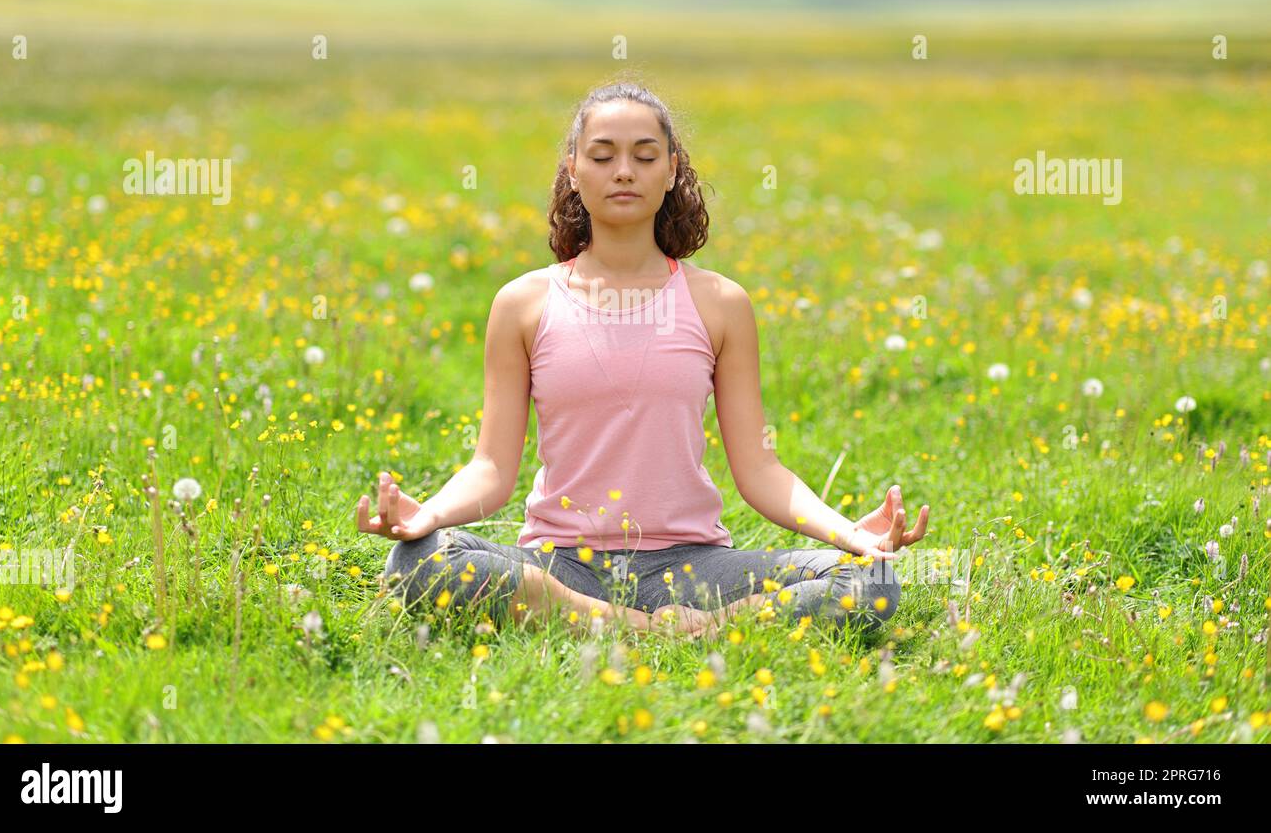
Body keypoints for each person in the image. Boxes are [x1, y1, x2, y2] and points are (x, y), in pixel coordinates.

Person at [355, 80, 930, 638]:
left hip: (692, 568)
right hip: (562, 564)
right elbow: (492, 471)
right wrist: (426, 516)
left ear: (673, 168)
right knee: (416, 563)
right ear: (574, 170)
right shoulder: (522, 304)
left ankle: (705, 625)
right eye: (603, 156)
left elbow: (760, 470)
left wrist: (849, 533)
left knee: (872, 583)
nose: (624, 171)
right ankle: (625, 626)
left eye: (644, 155)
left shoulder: (721, 303)